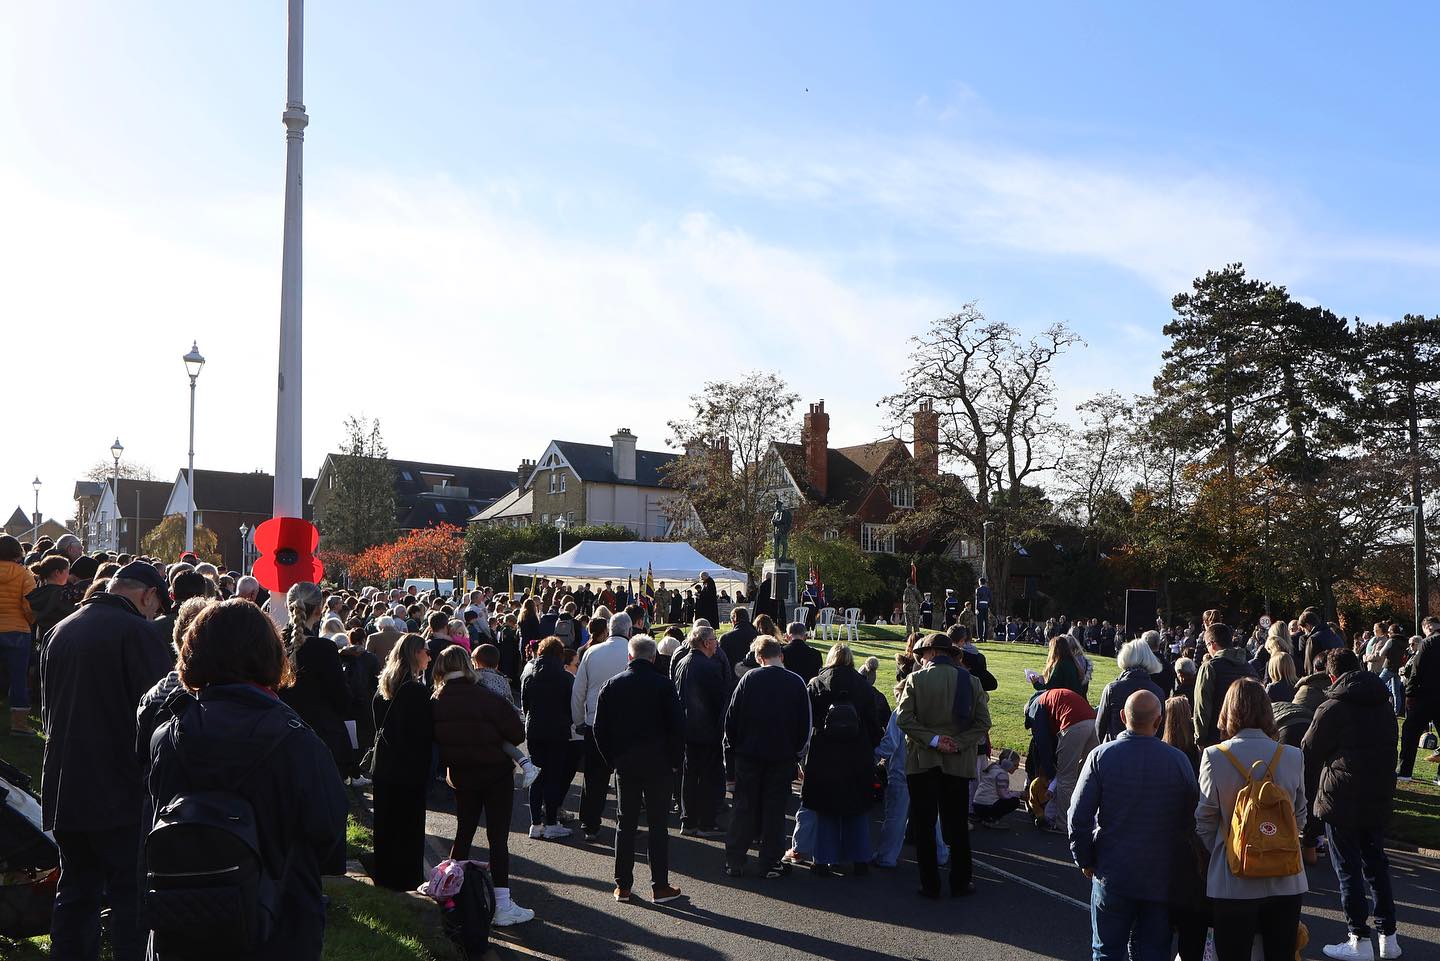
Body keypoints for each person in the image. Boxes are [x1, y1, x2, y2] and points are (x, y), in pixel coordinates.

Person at [145, 599, 348, 961]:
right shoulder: (296, 740)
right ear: (271, 654)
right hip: (276, 922)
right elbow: (329, 834)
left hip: (182, 917)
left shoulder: (169, 734)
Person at [40, 560, 175, 960]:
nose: (155, 614)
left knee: (75, 893)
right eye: (155, 605)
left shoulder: (59, 631)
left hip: (65, 784)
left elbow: (48, 713)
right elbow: (159, 714)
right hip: (120, 787)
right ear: (146, 595)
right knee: (129, 899)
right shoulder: (138, 633)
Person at [1069, 690, 1200, 961]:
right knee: (1153, 951)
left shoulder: (1101, 756)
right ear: (1158, 721)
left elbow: (1079, 816)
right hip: (1160, 874)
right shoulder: (1177, 761)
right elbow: (1191, 819)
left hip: (1114, 870)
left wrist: (1085, 858)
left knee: (1107, 950)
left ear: (1121, 716)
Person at [1196, 679, 1307, 961]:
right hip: (1286, 875)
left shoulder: (1214, 756)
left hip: (1233, 878)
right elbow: (1300, 814)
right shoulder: (1292, 756)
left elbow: (1205, 820)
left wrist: (1226, 849)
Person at [1303, 649, 1402, 960]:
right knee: (1376, 863)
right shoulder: (1383, 704)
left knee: (1347, 866)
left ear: (1333, 676)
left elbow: (1309, 748)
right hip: (1376, 790)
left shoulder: (1333, 706)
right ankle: (1389, 935)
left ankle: (1358, 936)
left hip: (1341, 794)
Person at [430, 645, 534, 925]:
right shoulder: (485, 697)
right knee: (497, 839)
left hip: (462, 775)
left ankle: (448, 893)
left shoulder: (436, 701)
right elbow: (515, 731)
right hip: (495, 773)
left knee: (464, 833)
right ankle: (502, 904)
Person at [593, 635, 686, 904]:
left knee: (626, 824)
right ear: (654, 657)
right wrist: (674, 760)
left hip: (626, 762)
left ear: (629, 657)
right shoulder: (664, 686)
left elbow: (600, 728)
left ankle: (623, 885)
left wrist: (612, 759)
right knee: (658, 826)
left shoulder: (612, 686)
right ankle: (660, 885)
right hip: (658, 763)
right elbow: (678, 728)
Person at [897, 633, 990, 899]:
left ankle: (930, 884)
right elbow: (983, 723)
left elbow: (904, 719)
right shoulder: (971, 681)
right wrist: (956, 743)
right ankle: (961, 882)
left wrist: (935, 740)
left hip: (922, 761)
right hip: (957, 761)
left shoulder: (916, 679)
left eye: (922, 655)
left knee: (925, 826)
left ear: (931, 653)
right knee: (957, 826)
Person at [723, 636, 812, 879]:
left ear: (758, 657)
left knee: (743, 807)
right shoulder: (796, 682)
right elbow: (805, 725)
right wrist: (797, 755)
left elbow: (731, 720)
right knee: (775, 811)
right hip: (782, 756)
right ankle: (770, 861)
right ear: (780, 656)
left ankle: (734, 860)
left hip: (749, 754)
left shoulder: (748, 679)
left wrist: (732, 751)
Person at [801, 642, 884, 875]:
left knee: (825, 808)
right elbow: (872, 722)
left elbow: (808, 720)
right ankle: (859, 858)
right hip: (856, 753)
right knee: (856, 808)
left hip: (824, 753)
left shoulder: (816, 683)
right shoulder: (863, 686)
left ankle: (823, 859)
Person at [369, 634, 434, 891]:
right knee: (409, 828)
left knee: (386, 826)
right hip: (408, 769)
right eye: (426, 651)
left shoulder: (384, 686)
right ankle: (407, 880)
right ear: (415, 653)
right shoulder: (416, 691)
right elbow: (422, 733)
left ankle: (384, 877)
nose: (429, 655)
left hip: (385, 765)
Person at [279, 583, 352, 799]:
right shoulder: (324, 650)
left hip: (280, 738)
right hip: (322, 740)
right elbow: (342, 700)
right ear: (319, 610)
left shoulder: (273, 646)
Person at [571, 611, 634, 841]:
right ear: (629, 631)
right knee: (626, 777)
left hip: (594, 721)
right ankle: (626, 821)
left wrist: (578, 720)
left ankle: (589, 823)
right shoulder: (632, 653)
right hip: (626, 725)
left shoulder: (591, 653)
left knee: (594, 777)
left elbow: (578, 691)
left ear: (608, 629)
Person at [673, 624, 727, 837]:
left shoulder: (682, 662)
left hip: (687, 728)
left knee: (690, 775)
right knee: (707, 778)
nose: (716, 643)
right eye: (714, 640)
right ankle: (706, 823)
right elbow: (719, 700)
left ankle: (688, 820)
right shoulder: (708, 666)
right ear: (706, 643)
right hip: (706, 729)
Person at [1193, 622, 1258, 748]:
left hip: (1217, 738)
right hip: (1248, 738)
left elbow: (1202, 707)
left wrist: (1200, 739)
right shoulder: (1249, 668)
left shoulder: (1209, 667)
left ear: (1212, 644)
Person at [0, 534, 38, 735]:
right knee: (18, 678)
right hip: (17, 630)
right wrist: (29, 622)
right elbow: (29, 606)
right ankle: (19, 724)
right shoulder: (25, 575)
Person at [1094, 639, 1165, 742]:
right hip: (1147, 751)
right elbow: (1160, 730)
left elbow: (1100, 726)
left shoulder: (1112, 689)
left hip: (1116, 749)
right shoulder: (1158, 691)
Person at [1397, 615, 1440, 783]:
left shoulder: (1427, 643)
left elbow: (1416, 670)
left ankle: (1404, 771)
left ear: (1427, 627)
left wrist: (1410, 693)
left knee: (1410, 733)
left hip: (1425, 695)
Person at [340, 625, 382, 786]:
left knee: (350, 737)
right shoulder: (369, 658)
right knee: (362, 738)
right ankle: (356, 772)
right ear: (364, 639)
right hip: (364, 702)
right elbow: (375, 679)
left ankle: (349, 771)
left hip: (348, 702)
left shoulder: (342, 655)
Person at [971, 749, 1022, 825]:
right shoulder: (1001, 775)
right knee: (1014, 801)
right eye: (1015, 765)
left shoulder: (993, 768)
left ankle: (986, 817)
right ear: (1007, 763)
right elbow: (1003, 795)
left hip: (977, 805)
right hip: (986, 807)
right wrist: (1019, 794)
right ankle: (991, 819)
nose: (1017, 767)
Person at [721, 605, 758, 671]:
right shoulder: (759, 636)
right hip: (755, 675)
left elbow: (721, 661)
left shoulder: (726, 638)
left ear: (734, 621)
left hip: (733, 676)